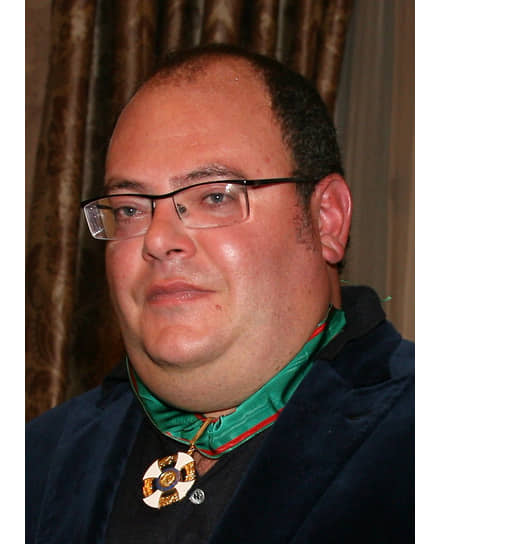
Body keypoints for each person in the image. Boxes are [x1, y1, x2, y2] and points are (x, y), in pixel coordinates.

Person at [26, 44, 413, 543]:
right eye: (129, 209)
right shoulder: (37, 465)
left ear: (327, 220)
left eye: (214, 197)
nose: (158, 239)